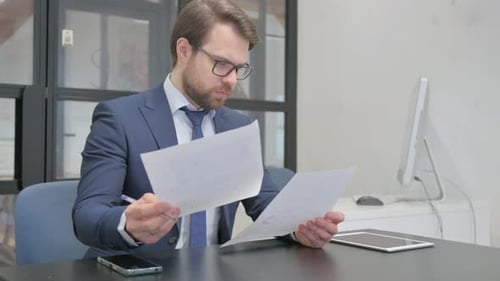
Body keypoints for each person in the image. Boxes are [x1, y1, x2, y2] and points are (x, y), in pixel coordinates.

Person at [72, 0, 344, 255]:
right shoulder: (120, 118)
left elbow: (265, 204)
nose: (232, 81)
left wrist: (300, 227)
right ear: (184, 50)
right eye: (222, 65)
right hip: (142, 269)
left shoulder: (238, 127)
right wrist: (127, 223)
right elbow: (88, 214)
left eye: (239, 68)